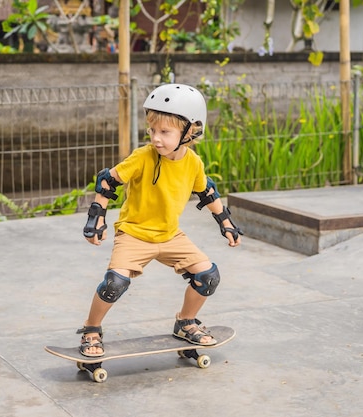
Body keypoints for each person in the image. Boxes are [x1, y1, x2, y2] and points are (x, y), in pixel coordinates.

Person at [77, 83, 243, 357]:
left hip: (170, 235)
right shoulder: (143, 157)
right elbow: (108, 180)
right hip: (133, 234)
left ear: (190, 132)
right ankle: (91, 328)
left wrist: (225, 222)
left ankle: (185, 322)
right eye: (152, 130)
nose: (156, 138)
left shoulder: (193, 163)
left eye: (165, 132)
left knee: (208, 276)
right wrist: (97, 217)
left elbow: (206, 190)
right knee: (114, 284)